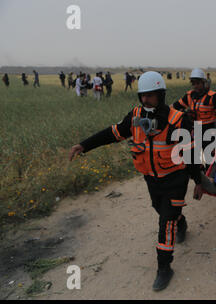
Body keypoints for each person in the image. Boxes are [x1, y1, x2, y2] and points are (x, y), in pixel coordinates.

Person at [68, 71, 203, 292]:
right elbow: (113, 133)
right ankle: (181, 222)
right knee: (161, 210)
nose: (145, 100)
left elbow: (190, 155)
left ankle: (164, 268)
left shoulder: (178, 120)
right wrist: (84, 145)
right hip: (152, 179)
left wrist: (198, 181)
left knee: (165, 223)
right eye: (143, 95)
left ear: (160, 94)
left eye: (150, 95)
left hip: (175, 179)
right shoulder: (135, 116)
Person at [172, 68, 216, 149]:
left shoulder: (213, 96)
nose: (195, 86)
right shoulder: (189, 95)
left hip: (210, 132)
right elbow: (176, 106)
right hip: (195, 131)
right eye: (193, 83)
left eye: (198, 83)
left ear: (204, 83)